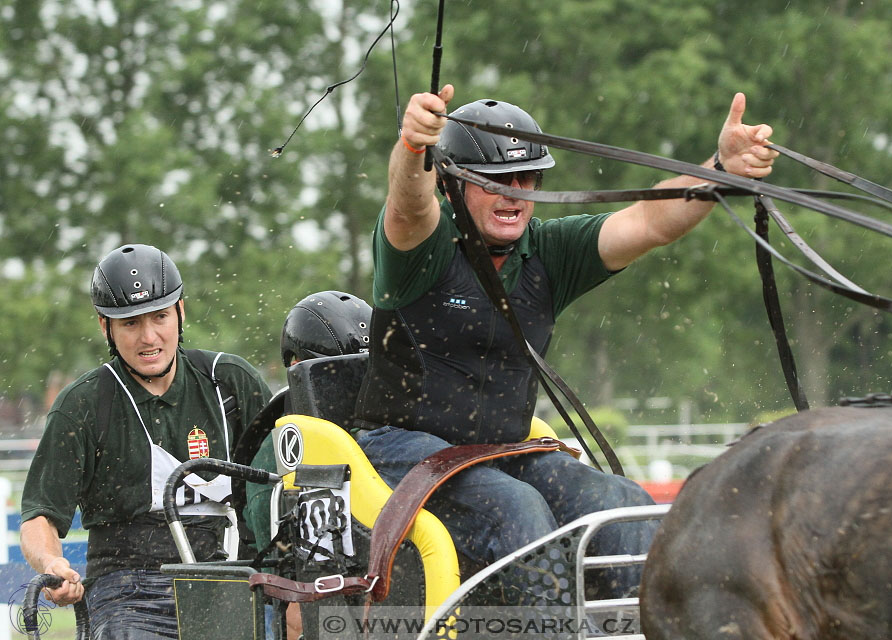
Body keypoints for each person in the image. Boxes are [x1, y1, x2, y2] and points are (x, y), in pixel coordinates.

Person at [351, 85, 778, 598]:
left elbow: (649, 221)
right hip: (397, 453)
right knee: (516, 510)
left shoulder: (550, 252)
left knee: (622, 503)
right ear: (450, 184)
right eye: (494, 180)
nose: (514, 192)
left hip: (498, 452)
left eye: (525, 177)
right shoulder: (419, 247)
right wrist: (413, 147)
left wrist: (720, 171)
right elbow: (407, 203)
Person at [19, 243, 273, 639]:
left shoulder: (231, 384)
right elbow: (39, 517)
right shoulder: (83, 404)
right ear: (106, 327)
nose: (149, 337)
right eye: (131, 323)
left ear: (181, 312)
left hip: (224, 579)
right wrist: (52, 563)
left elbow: (284, 484)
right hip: (125, 591)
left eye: (159, 317)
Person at [244, 290, 372, 640]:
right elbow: (272, 538)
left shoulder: (386, 427)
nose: (357, 387)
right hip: (305, 594)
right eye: (340, 373)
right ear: (295, 368)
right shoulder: (279, 441)